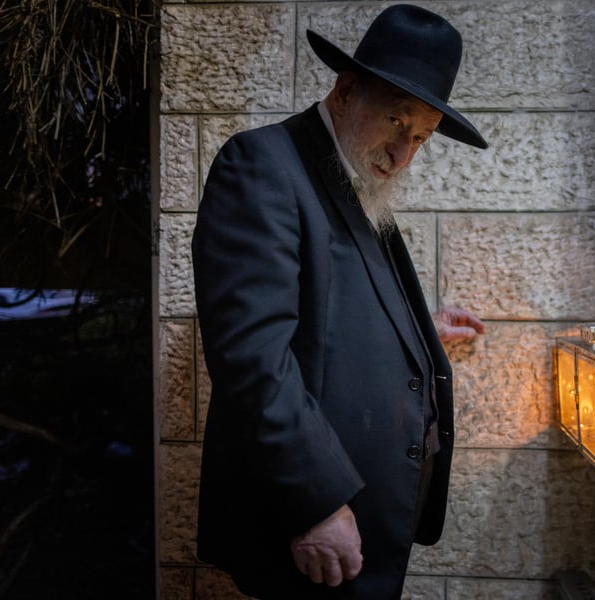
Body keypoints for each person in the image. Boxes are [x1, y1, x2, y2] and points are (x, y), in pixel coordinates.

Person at [191, 5, 487, 598]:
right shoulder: (262, 166)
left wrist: (416, 329)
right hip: (312, 515)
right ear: (346, 89)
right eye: (397, 120)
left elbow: (326, 308)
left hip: (362, 517)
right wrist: (317, 502)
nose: (404, 152)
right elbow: (253, 357)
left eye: (422, 137)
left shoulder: (353, 169)